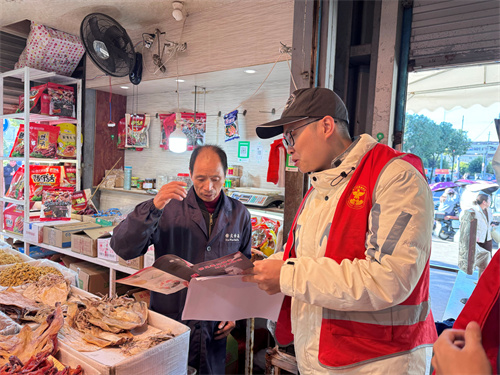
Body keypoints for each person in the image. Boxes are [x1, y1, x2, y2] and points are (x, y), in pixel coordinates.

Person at [243, 87, 437, 374]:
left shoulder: (396, 177)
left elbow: (389, 279)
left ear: (326, 125)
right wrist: (262, 271)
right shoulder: (318, 189)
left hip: (380, 362)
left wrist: (286, 275)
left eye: (291, 134)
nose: (288, 147)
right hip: (323, 359)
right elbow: (299, 259)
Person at [110, 145, 252, 375]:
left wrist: (234, 313)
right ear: (189, 174)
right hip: (171, 321)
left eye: (216, 179)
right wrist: (153, 206)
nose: (209, 187)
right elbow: (123, 247)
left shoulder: (239, 214)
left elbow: (243, 273)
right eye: (201, 179)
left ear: (226, 176)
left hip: (214, 329)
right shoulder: (168, 207)